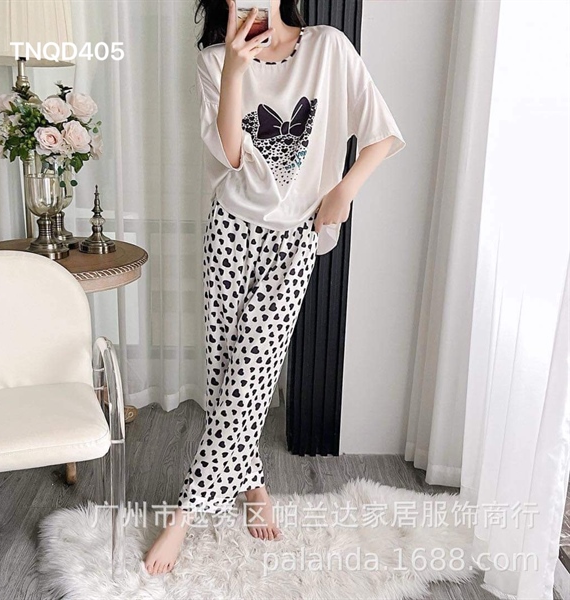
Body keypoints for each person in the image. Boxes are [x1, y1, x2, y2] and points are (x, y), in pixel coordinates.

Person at [143, 0, 406, 575]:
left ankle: (183, 515)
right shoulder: (214, 61)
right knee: (227, 372)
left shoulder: (328, 47)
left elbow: (382, 134)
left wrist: (344, 190)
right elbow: (231, 155)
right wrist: (236, 70)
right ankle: (254, 484)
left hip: (295, 236)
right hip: (230, 229)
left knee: (253, 372)